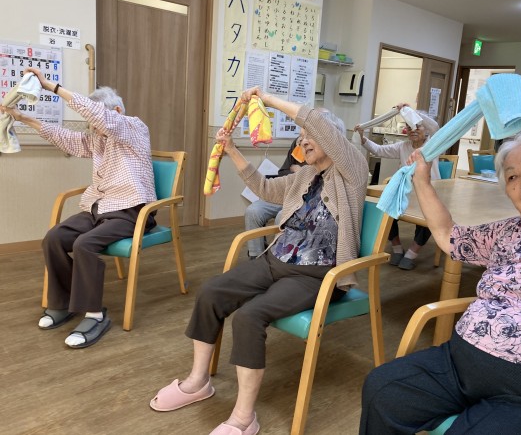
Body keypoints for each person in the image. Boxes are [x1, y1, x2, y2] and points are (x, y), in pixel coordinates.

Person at [360, 89, 521, 434]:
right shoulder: (506, 231)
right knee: (385, 389)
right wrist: (422, 180)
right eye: (512, 177)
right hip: (461, 362)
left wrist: (515, 91)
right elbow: (447, 236)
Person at [150, 87, 369, 435]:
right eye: (301, 136)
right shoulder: (305, 175)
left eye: (309, 135)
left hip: (317, 275)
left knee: (250, 316)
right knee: (212, 291)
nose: (304, 141)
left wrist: (266, 99)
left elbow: (315, 120)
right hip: (275, 261)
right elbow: (266, 189)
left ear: (333, 139)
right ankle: (198, 381)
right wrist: (232, 150)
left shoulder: (352, 173)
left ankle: (243, 417)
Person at [0, 68, 156, 349]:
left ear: (116, 111)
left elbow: (98, 116)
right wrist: (24, 119)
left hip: (130, 210)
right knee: (53, 238)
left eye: (96, 121)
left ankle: (95, 314)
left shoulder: (134, 128)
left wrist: (51, 86)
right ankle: (65, 303)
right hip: (99, 208)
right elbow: (66, 138)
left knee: (84, 245)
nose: (93, 127)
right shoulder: (98, 137)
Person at [354, 107, 440, 270]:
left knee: (429, 218)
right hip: (405, 192)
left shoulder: (433, 144)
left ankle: (412, 253)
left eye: (417, 126)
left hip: (428, 192)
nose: (413, 130)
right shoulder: (403, 146)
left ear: (426, 130)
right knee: (385, 207)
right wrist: (362, 137)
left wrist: (411, 112)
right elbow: (378, 150)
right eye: (409, 126)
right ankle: (397, 248)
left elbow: (435, 127)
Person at [245, 135, 305, 258]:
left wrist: (300, 171)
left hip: (304, 199)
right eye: (302, 135)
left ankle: (278, 258)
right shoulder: (297, 144)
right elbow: (282, 172)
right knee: (253, 211)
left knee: (281, 217)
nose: (302, 139)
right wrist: (298, 172)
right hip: (285, 194)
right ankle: (256, 257)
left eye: (306, 135)